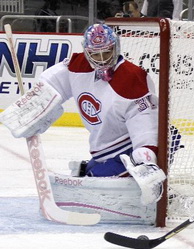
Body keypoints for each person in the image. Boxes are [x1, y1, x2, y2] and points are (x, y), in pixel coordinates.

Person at [0, 24, 181, 205]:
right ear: (87, 52)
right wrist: (34, 107)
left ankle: (155, 189)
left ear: (116, 48)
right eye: (95, 54)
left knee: (166, 140)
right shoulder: (77, 66)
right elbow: (51, 84)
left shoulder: (131, 77)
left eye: (106, 52)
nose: (101, 60)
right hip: (104, 151)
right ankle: (98, 171)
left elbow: (145, 121)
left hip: (129, 147)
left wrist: (146, 156)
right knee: (91, 178)